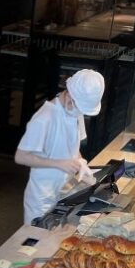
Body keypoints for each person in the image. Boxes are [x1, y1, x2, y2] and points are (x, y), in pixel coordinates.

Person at [15, 69, 105, 226]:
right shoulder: (44, 119)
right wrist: (58, 163)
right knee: (36, 242)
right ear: (69, 94)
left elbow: (74, 145)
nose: (81, 113)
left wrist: (80, 161)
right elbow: (21, 156)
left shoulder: (75, 111)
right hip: (42, 196)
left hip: (65, 190)